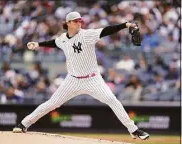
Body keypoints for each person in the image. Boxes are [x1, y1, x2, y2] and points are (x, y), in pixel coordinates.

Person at [13, 11, 149, 140]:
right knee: (52, 103)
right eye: (76, 21)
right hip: (72, 80)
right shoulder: (62, 39)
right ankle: (24, 124)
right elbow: (54, 42)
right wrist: (38, 44)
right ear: (68, 23)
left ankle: (133, 130)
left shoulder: (87, 35)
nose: (79, 23)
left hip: (92, 79)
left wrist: (125, 25)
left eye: (80, 20)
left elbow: (107, 30)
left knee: (112, 100)